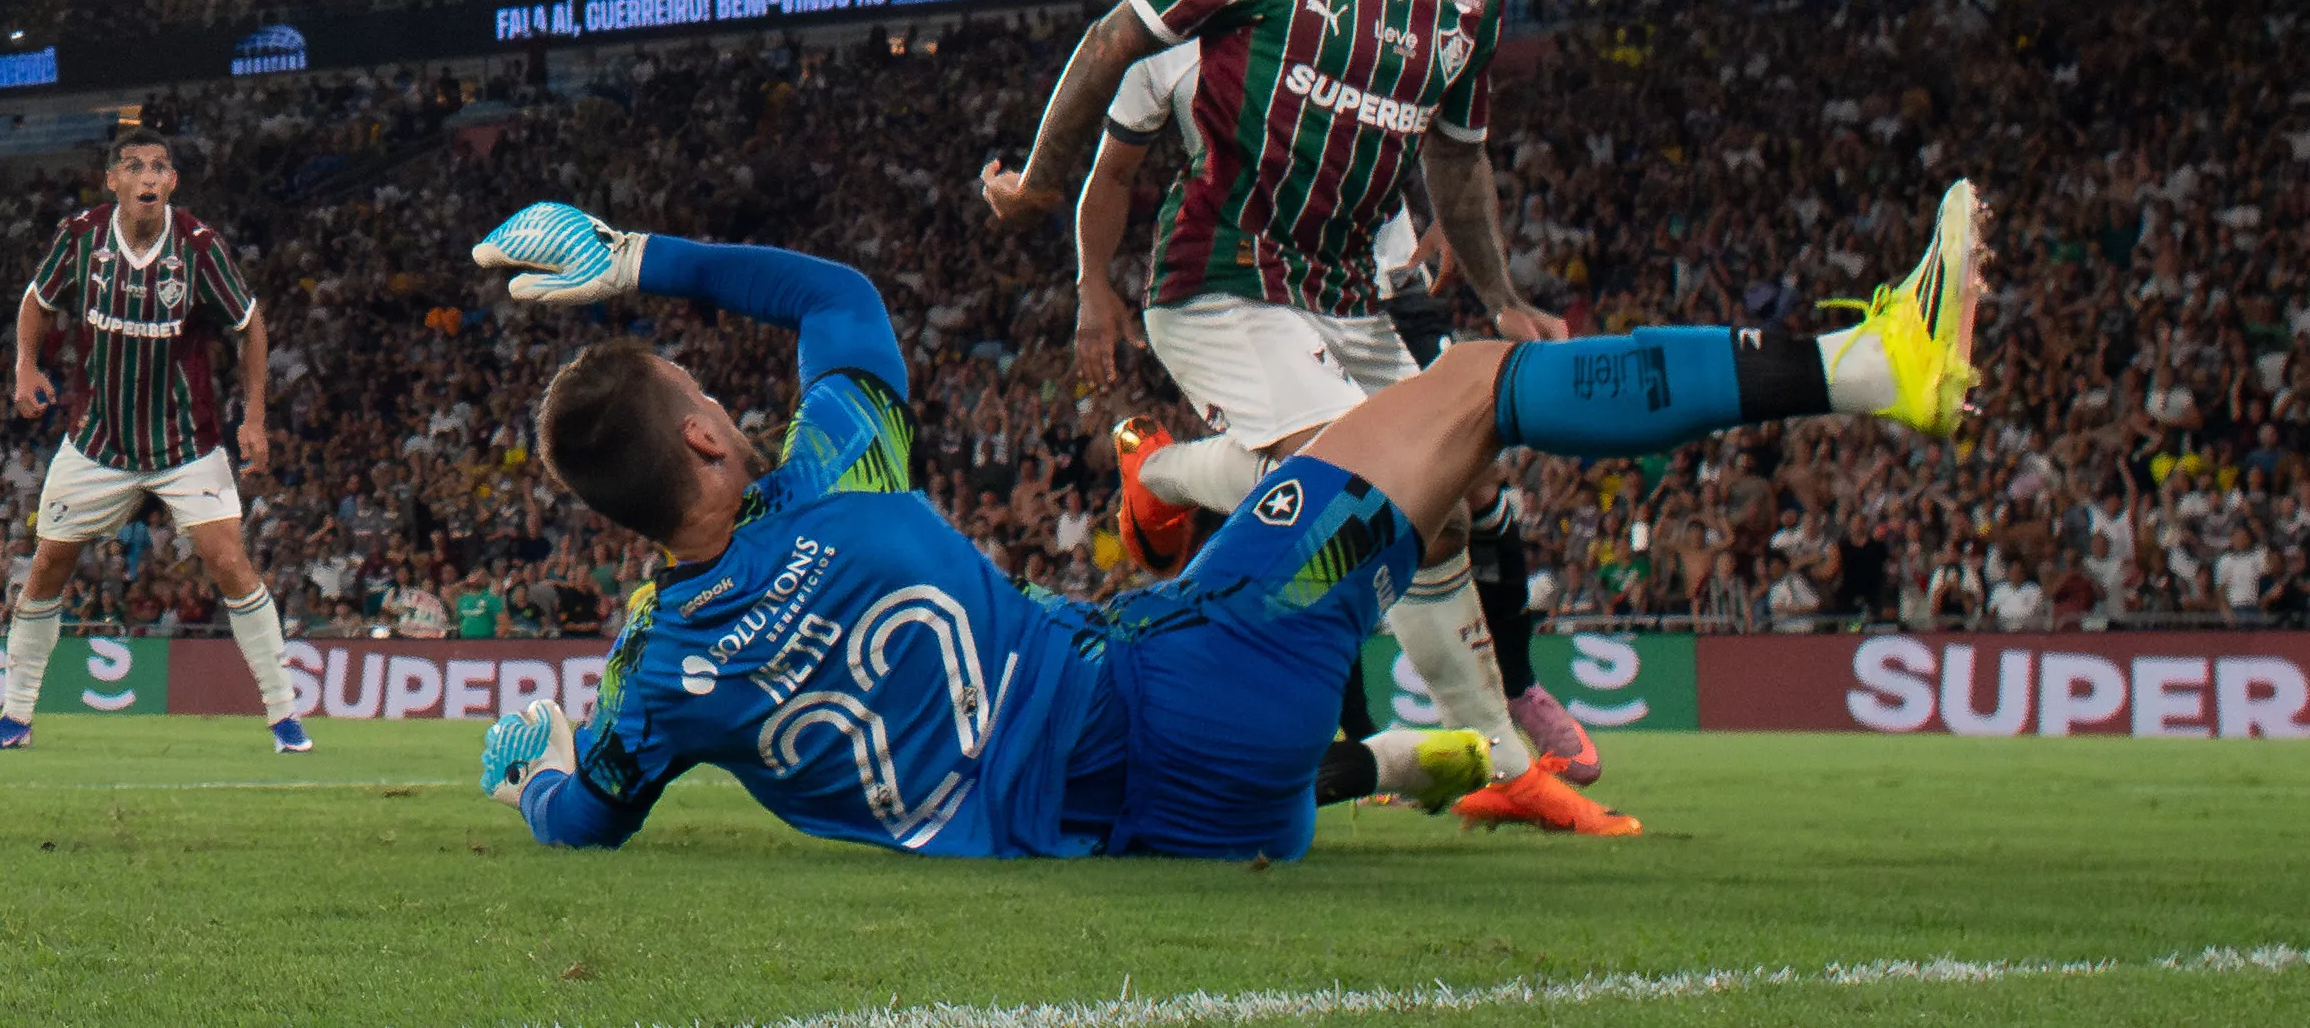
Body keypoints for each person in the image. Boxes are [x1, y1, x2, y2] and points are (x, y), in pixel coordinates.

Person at [467, 178, 1980, 860]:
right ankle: (1867, 363)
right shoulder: (839, 467)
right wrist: (637, 252)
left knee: (1322, 523)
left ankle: (1401, 755)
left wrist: (530, 769)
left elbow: (588, 814)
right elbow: (836, 298)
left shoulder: (653, 674)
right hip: (1184, 673)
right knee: (1470, 385)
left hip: (1187, 821)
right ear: (713, 431)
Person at [990, 0, 1595, 825]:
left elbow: (1455, 155)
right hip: (1215, 278)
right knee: (1354, 482)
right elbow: (1105, 42)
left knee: (1441, 509)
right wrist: (1038, 187)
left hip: (1344, 294)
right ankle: (1166, 480)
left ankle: (1506, 773)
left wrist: (1501, 294)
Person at [0, 128, 315, 752]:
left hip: (186, 445)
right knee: (47, 564)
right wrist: (25, 365)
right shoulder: (81, 238)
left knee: (228, 559)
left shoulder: (199, 248)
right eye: (133, 166)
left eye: (158, 167)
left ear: (171, 182)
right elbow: (36, 300)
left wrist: (255, 417)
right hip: (97, 443)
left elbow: (250, 326)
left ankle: (285, 716)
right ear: (113, 181)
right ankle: (14, 718)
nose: (147, 176)